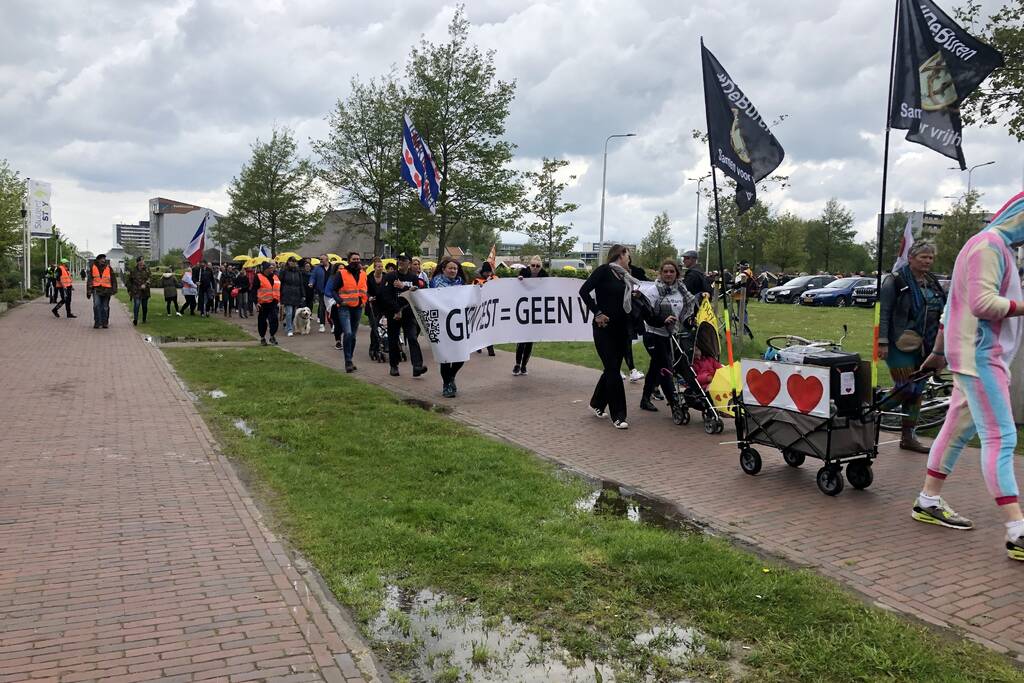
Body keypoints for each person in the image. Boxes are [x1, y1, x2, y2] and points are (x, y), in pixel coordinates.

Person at [911, 191, 1024, 562]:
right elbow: (982, 304)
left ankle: (928, 500)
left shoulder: (988, 246)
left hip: (970, 356)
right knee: (1002, 437)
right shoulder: (989, 247)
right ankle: (1016, 531)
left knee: (956, 430)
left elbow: (951, 308)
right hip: (981, 358)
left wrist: (939, 352)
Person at [879, 241, 946, 452]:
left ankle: (908, 437)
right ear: (911, 258)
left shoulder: (932, 282)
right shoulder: (895, 281)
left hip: (927, 345)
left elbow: (943, 309)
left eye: (930, 257)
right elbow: (885, 313)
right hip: (899, 343)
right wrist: (882, 342)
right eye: (923, 257)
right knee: (906, 387)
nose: (928, 261)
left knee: (917, 392)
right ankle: (869, 413)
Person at [580, 245, 642, 429]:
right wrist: (597, 312)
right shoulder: (603, 271)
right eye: (628, 256)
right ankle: (619, 415)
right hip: (604, 328)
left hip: (622, 328)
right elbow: (584, 291)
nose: (629, 259)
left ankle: (596, 403)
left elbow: (623, 301)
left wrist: (633, 295)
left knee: (611, 368)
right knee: (613, 370)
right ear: (620, 255)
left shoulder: (625, 276)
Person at [639, 259, 694, 412]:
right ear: (660, 273)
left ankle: (645, 399)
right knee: (665, 367)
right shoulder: (654, 291)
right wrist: (662, 320)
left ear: (677, 273)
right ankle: (674, 403)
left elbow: (685, 311)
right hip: (653, 334)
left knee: (656, 368)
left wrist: (690, 320)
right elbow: (646, 314)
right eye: (665, 271)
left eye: (672, 271)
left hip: (672, 335)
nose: (668, 274)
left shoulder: (681, 290)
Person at [378, 253, 427, 378]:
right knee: (393, 339)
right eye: (399, 260)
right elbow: (385, 295)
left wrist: (403, 287)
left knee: (412, 338)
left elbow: (416, 294)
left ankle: (417, 366)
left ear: (409, 263)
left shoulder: (413, 277)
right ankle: (394, 365)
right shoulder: (390, 276)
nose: (401, 262)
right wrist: (396, 310)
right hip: (394, 313)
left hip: (408, 312)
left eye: (404, 260)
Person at [431, 258, 467, 397]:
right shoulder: (435, 283)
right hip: (442, 324)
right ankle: (446, 385)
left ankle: (451, 377)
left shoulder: (461, 283)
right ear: (443, 269)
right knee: (445, 358)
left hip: (458, 324)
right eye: (450, 268)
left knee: (461, 355)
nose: (453, 271)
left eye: (455, 269)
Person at [513, 256, 547, 374]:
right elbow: (514, 287)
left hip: (536, 312)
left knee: (529, 341)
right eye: (533, 265)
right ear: (529, 265)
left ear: (541, 267)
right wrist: (519, 280)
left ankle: (524, 365)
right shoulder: (523, 273)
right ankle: (517, 364)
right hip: (523, 311)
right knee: (521, 340)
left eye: (538, 266)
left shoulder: (545, 276)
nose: (535, 268)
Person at [336, 252, 368, 372]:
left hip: (358, 307)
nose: (356, 261)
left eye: (358, 259)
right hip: (344, 307)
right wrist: (339, 300)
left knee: (353, 336)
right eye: (354, 259)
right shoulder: (342, 274)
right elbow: (333, 289)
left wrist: (365, 300)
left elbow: (364, 289)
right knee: (348, 333)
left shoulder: (363, 274)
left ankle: (350, 358)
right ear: (349, 260)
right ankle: (348, 361)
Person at [623, 254, 648, 383]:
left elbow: (646, 284)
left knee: (625, 341)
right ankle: (630, 370)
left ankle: (627, 370)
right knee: (623, 341)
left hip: (632, 313)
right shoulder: (611, 273)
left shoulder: (636, 272)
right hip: (620, 313)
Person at [473, 262, 498, 357]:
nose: (488, 274)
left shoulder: (495, 278)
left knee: (489, 329)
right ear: (482, 272)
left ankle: (490, 348)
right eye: (486, 272)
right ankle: (478, 346)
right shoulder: (477, 280)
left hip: (491, 308)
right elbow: (474, 292)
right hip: (480, 308)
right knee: (479, 328)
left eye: (489, 272)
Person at [86, 254, 117, 329]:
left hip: (107, 290)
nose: (103, 260)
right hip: (96, 290)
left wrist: (114, 289)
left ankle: (105, 322)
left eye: (104, 259)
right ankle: (97, 322)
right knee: (96, 306)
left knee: (105, 307)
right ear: (98, 260)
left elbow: (113, 279)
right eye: (102, 259)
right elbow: (90, 280)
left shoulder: (109, 268)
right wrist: (89, 291)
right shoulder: (93, 268)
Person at [254, 261, 281, 346]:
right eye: (270, 268)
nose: (272, 269)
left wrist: (280, 301)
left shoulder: (276, 277)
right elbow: (253, 290)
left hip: (274, 302)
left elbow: (279, 289)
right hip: (263, 303)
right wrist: (256, 302)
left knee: (274, 320)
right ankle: (262, 338)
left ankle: (272, 336)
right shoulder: (258, 277)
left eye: (272, 267)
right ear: (266, 269)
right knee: (262, 321)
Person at [279, 256, 306, 337]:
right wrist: (280, 294)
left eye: (294, 261)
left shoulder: (298, 272)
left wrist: (303, 294)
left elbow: (301, 284)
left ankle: (288, 325)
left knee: (294, 313)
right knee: (289, 312)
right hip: (287, 293)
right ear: (288, 262)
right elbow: (280, 283)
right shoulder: (284, 271)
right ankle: (290, 329)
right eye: (291, 261)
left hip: (296, 294)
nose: (293, 262)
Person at [366, 258, 386, 360]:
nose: (380, 268)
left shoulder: (386, 277)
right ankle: (373, 347)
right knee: (374, 326)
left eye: (381, 266)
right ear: (374, 268)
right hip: (373, 305)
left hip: (384, 304)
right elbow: (365, 290)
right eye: (378, 267)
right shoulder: (369, 278)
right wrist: (369, 297)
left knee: (384, 326)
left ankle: (384, 345)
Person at [308, 253, 330, 333]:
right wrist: (311, 283)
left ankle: (333, 324)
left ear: (327, 260)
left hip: (331, 291)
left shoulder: (332, 267)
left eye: (322, 259)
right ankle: (322, 325)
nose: (320, 261)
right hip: (321, 291)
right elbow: (313, 277)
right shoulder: (317, 268)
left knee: (331, 309)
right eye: (320, 259)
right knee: (322, 307)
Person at [126, 256, 151, 326]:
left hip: (145, 291)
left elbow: (149, 278)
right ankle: (135, 319)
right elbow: (129, 281)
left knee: (145, 306)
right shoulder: (133, 270)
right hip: (136, 291)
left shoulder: (147, 269)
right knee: (137, 305)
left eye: (143, 260)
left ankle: (144, 319)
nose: (143, 261)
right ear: (138, 262)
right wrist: (129, 290)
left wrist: (146, 284)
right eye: (142, 260)